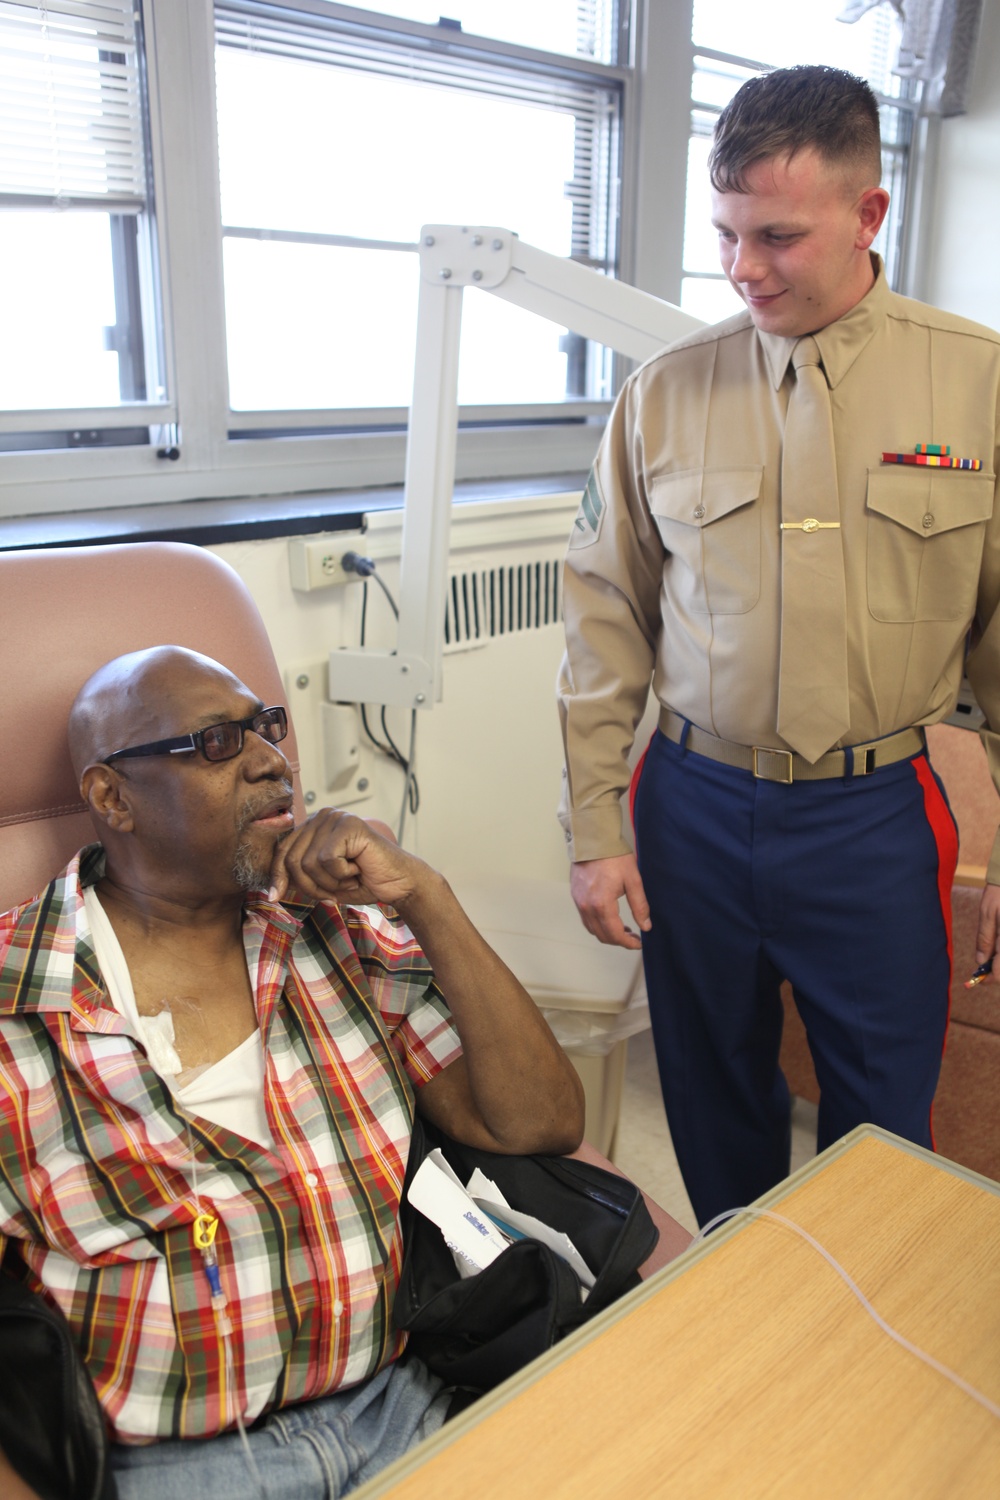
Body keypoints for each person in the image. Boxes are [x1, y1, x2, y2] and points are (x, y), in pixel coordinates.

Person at [558, 64, 1000, 1228]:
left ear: (867, 217)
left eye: (776, 236)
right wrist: (598, 829)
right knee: (708, 1094)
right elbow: (604, 619)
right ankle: (734, 1301)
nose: (742, 267)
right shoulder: (664, 393)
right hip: (693, 803)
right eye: (725, 233)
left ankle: (867, 1330)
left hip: (874, 814)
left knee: (883, 1116)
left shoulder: (976, 382)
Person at [0, 644, 584, 1500]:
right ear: (110, 796)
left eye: (267, 728)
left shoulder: (340, 934)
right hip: (173, 1467)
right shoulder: (19, 998)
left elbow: (535, 1123)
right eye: (216, 743)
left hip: (402, 1405)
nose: (273, 761)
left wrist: (423, 895)